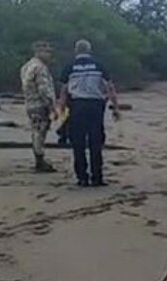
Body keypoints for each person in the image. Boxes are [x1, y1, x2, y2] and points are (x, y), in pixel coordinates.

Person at [57, 39, 120, 187]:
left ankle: (82, 177)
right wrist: (115, 107)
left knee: (78, 143)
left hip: (77, 106)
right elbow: (110, 88)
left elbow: (64, 92)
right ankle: (97, 177)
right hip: (95, 107)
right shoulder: (99, 65)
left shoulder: (69, 67)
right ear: (89, 50)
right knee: (95, 142)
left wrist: (61, 112)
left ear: (76, 51)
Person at [20, 41, 57, 173]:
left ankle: (39, 157)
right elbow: (44, 89)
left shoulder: (26, 66)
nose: (49, 55)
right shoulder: (40, 67)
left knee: (36, 131)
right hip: (39, 104)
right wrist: (51, 106)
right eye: (47, 52)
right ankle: (39, 159)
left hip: (30, 103)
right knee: (40, 132)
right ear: (39, 52)